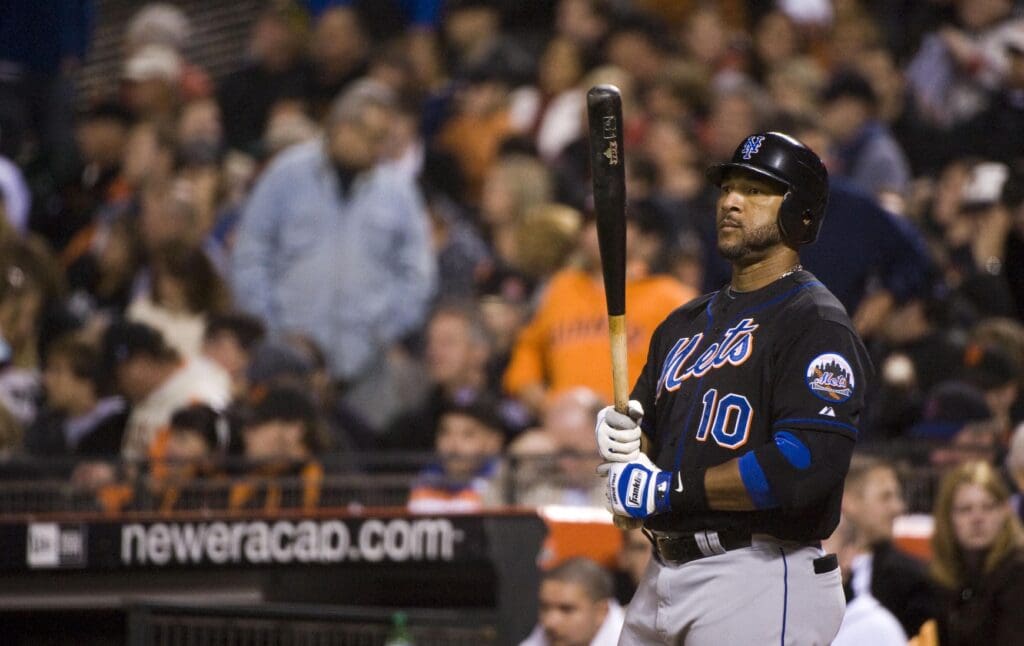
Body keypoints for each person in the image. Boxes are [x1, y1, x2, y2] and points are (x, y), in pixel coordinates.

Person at [597, 132, 871, 644]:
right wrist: (625, 450)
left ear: (801, 213)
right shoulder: (683, 323)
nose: (732, 201)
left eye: (757, 190)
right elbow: (647, 447)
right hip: (662, 572)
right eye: (728, 187)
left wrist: (667, 488)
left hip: (760, 572)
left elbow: (802, 466)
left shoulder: (815, 322)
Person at [231, 80, 436, 432]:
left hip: (367, 368)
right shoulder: (286, 175)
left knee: (363, 457)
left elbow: (418, 274)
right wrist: (272, 330)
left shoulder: (398, 190)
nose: (379, 148)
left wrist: (384, 332)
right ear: (341, 127)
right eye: (372, 136)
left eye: (385, 137)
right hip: (289, 360)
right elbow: (250, 255)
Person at [928, 460, 1024, 646]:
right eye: (965, 510)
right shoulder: (942, 577)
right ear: (948, 518)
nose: (977, 518)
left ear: (1005, 512)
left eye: (988, 507)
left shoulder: (1019, 574)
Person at [841, 455, 937, 637]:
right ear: (849, 502)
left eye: (897, 497)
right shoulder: (815, 568)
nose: (898, 507)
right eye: (886, 497)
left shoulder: (915, 580)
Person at [519, 557, 625, 646]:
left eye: (566, 609)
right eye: (544, 607)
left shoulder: (633, 640)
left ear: (601, 612)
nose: (550, 622)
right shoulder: (542, 637)